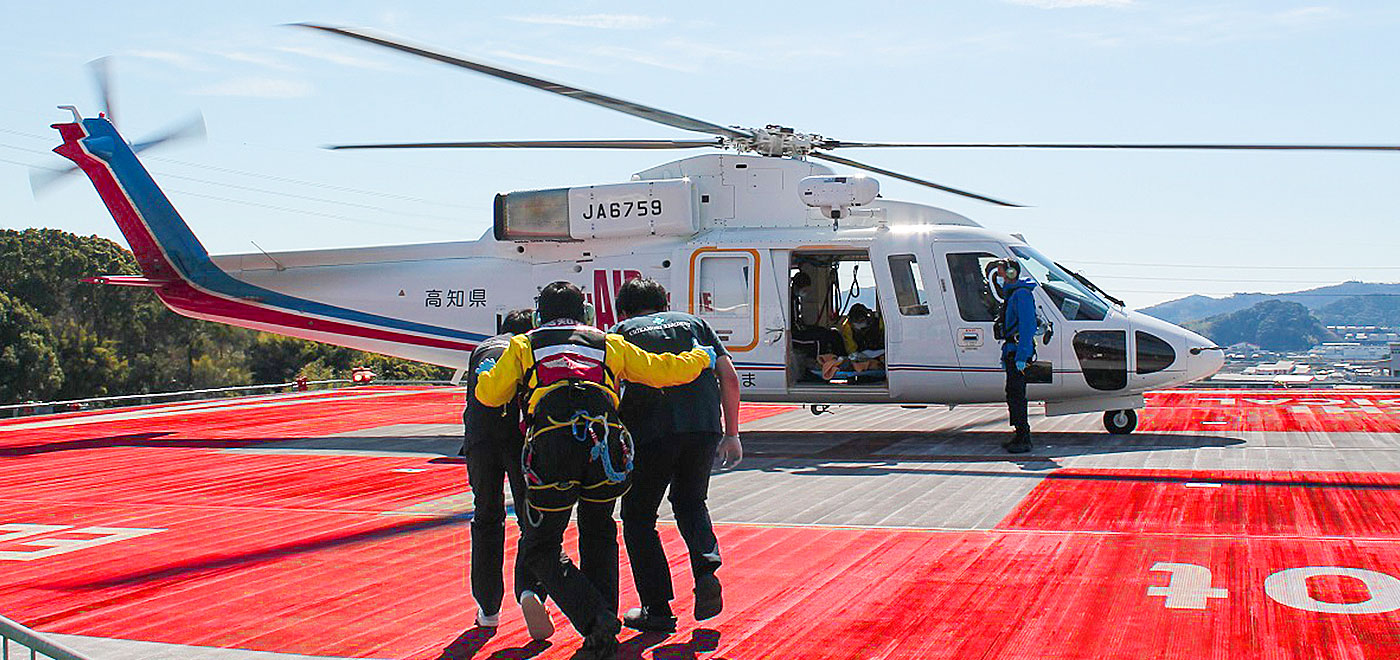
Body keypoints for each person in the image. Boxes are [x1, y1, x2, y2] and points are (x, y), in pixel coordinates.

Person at [474, 281, 714, 660]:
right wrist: (700, 358)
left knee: (541, 547)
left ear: (540, 315)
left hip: (552, 451)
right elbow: (664, 371)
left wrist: (489, 373)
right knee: (600, 532)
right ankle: (603, 631)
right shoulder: (607, 343)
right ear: (585, 312)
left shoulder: (524, 345)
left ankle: (594, 619)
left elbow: (490, 396)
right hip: (604, 449)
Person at [611, 278, 742, 633]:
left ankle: (658, 608)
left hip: (649, 430)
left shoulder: (622, 331)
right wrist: (732, 433)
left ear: (623, 310)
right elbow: (728, 377)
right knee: (690, 502)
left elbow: (610, 387)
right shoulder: (696, 324)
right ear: (665, 301)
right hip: (703, 426)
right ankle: (705, 569)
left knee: (638, 517)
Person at [462, 309, 554, 637]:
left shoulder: (481, 350)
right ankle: (531, 589)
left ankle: (488, 609)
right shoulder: (527, 347)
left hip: (479, 440)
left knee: (486, 519)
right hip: (519, 441)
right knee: (532, 520)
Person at [996, 259, 1038, 454]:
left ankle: (1024, 437)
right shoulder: (1014, 295)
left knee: (1017, 394)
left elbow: (1027, 326)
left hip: (1018, 352)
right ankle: (1019, 433)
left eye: (1002, 273)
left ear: (1012, 273)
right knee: (1013, 393)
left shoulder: (1021, 295)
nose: (1000, 277)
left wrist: (1022, 355)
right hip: (1012, 351)